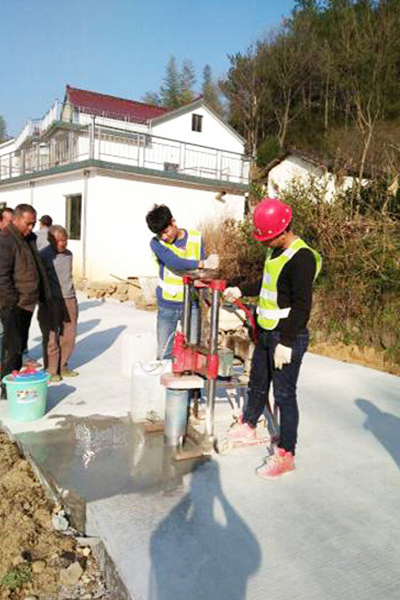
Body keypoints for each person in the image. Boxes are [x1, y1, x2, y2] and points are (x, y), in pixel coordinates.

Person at [224, 198, 321, 479]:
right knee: (257, 382)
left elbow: (302, 306)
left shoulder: (301, 258)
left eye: (268, 238)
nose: (265, 243)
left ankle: (286, 454)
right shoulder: (275, 250)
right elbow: (267, 283)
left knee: (284, 395)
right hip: (267, 331)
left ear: (282, 231)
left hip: (287, 335)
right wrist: (241, 289)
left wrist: (286, 343)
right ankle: (249, 424)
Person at [145, 204, 219, 360]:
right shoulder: (156, 243)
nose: (164, 237)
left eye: (165, 231)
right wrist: (202, 263)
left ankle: (188, 376)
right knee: (164, 353)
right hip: (167, 305)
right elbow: (174, 262)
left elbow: (200, 273)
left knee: (192, 351)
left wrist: (206, 277)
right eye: (160, 234)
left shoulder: (196, 238)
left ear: (173, 222)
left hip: (191, 304)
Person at [0, 204, 51, 398]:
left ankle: (12, 381)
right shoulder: (6, 239)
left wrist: (43, 294)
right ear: (15, 219)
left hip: (27, 303)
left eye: (33, 224)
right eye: (27, 223)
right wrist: (12, 301)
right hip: (14, 305)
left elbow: (37, 267)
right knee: (12, 348)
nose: (31, 227)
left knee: (19, 346)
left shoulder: (29, 239)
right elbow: (2, 275)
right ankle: (6, 387)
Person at [38, 225, 79, 382]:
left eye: (65, 240)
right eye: (58, 240)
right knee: (51, 336)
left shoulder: (69, 254)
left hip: (69, 298)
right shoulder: (43, 255)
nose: (62, 243)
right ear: (50, 240)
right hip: (51, 300)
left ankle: (63, 366)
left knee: (69, 334)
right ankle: (51, 370)